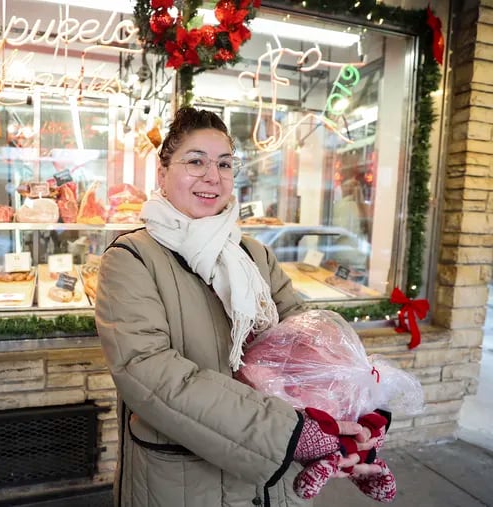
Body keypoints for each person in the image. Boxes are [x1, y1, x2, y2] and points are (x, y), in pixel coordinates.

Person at [95, 107, 385, 507]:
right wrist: (287, 435)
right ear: (162, 174)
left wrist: (359, 407)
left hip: (272, 482)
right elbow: (149, 372)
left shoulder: (254, 254)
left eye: (224, 164)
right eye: (195, 161)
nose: (212, 176)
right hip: (185, 478)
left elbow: (306, 341)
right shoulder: (132, 258)